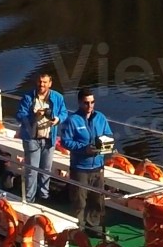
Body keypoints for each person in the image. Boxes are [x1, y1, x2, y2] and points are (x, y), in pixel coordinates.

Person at [60, 87, 112, 237]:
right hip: (80, 168)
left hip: (98, 167)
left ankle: (94, 228)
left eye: (92, 102)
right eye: (86, 103)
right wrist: (84, 149)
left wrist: (105, 144)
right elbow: (66, 142)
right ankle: (78, 233)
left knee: (97, 200)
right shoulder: (72, 120)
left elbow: (108, 134)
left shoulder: (100, 118)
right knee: (79, 202)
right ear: (79, 103)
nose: (90, 106)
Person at [16, 73, 67, 202]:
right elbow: (20, 115)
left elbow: (64, 112)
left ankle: (44, 196)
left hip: (49, 138)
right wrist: (34, 116)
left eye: (44, 82)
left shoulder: (58, 97)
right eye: (40, 82)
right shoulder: (28, 97)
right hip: (32, 138)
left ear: (50, 83)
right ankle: (29, 198)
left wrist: (58, 119)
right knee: (32, 170)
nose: (41, 85)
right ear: (36, 82)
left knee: (46, 169)